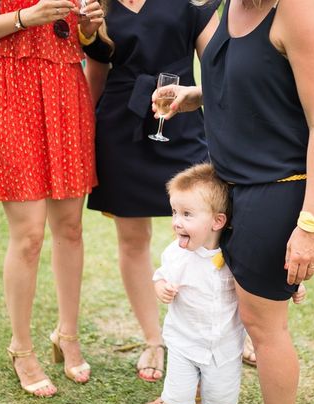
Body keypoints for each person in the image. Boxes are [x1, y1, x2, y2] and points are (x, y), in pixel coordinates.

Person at [153, 0, 314, 404]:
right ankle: (195, 388)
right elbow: (251, 80)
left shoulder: (298, 8)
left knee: (262, 324)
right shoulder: (230, 4)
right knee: (217, 297)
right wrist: (193, 97)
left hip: (278, 192)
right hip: (229, 186)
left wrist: (311, 225)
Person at [0, 0, 105, 398]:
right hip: (9, 89)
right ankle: (21, 348)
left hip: (66, 88)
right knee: (29, 235)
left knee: (71, 227)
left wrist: (88, 28)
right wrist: (24, 17)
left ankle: (67, 334)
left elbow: (91, 40)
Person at [82, 0, 220, 383]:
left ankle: (227, 330)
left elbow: (219, 67)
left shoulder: (191, 2)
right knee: (132, 238)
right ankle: (153, 339)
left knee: (211, 232)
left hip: (184, 119)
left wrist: (198, 95)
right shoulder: (99, 5)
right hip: (120, 125)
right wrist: (87, 127)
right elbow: (97, 68)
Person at [152, 163, 244, 404]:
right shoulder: (178, 255)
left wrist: (294, 288)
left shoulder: (236, 255)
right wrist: (162, 288)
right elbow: (160, 275)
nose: (176, 222)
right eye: (174, 212)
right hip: (185, 342)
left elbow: (262, 278)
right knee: (177, 396)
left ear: (218, 221)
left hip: (225, 346)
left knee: (219, 399)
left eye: (187, 214)